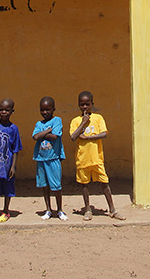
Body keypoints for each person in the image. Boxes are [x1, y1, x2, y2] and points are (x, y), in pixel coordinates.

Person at [70, 91, 124, 220]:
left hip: (97, 158)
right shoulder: (76, 121)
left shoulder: (98, 118)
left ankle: (112, 209)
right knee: (84, 184)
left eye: (87, 104)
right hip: (82, 159)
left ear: (92, 104)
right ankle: (87, 209)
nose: (84, 107)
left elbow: (104, 133)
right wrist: (83, 123)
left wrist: (88, 137)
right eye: (82, 105)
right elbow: (73, 136)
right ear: (78, 105)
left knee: (104, 182)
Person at [32, 96, 67, 220]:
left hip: (53, 158)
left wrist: (43, 134)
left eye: (48, 109)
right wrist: (48, 131)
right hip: (41, 159)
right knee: (44, 185)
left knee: (56, 186)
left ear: (53, 109)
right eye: (42, 110)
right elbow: (35, 137)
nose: (45, 112)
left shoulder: (57, 120)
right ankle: (48, 209)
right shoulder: (38, 123)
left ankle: (59, 210)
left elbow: (55, 137)